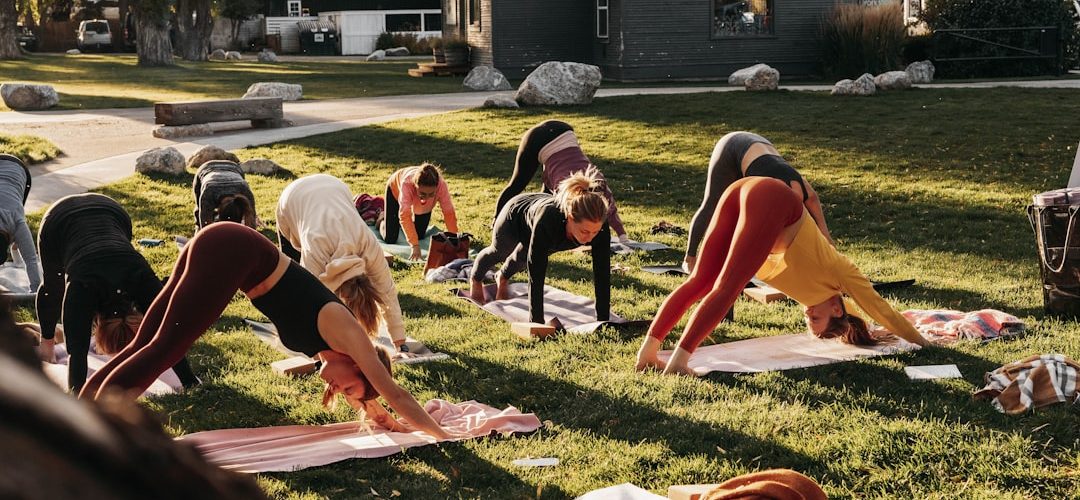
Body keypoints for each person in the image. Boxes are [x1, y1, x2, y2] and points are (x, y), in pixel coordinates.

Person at [80, 222, 462, 441]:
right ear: (360, 364)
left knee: (149, 343)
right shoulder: (349, 334)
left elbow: (375, 401)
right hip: (233, 252)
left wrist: (393, 424)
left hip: (225, 245)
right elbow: (393, 391)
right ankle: (88, 428)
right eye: (349, 387)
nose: (340, 392)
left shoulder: (332, 354)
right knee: (164, 349)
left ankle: (80, 414)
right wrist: (443, 437)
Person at [637, 177, 929, 376]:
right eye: (815, 319)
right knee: (726, 287)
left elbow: (849, 314)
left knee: (701, 281)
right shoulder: (841, 273)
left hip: (740, 191)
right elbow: (876, 306)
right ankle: (678, 362)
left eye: (808, 321)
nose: (808, 314)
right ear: (836, 307)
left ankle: (647, 354)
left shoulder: (818, 298)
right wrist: (921, 342)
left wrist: (862, 333)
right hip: (773, 198)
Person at [35, 193, 199, 392]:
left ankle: (47, 344)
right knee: (54, 287)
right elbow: (167, 333)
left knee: (54, 290)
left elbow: (77, 354)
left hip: (113, 212)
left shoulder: (135, 276)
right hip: (58, 223)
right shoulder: (84, 285)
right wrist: (189, 381)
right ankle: (47, 345)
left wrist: (77, 393)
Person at [277, 174, 408, 351]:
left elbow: (387, 293)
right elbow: (307, 303)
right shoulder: (317, 252)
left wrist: (400, 343)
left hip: (334, 186)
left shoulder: (368, 246)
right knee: (291, 283)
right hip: (292, 199)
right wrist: (319, 353)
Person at [469, 168, 610, 325]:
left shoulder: (600, 227)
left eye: (595, 232)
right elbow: (536, 272)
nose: (590, 237)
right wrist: (536, 321)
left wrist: (603, 319)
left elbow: (602, 272)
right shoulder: (549, 222)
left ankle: (502, 277)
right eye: (585, 231)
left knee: (521, 258)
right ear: (570, 217)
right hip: (515, 215)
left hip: (538, 224)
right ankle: (475, 279)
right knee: (499, 252)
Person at [683, 131, 831, 273]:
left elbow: (824, 234)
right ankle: (689, 258)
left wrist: (827, 246)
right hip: (730, 148)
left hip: (759, 145)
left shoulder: (807, 194)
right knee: (712, 204)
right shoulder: (770, 193)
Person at [494, 120, 629, 244]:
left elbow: (610, 209)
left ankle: (534, 228)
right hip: (537, 140)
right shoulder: (565, 188)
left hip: (564, 130)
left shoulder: (599, 182)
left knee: (546, 199)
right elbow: (560, 215)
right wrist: (622, 237)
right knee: (516, 185)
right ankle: (496, 224)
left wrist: (622, 236)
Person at [381, 163, 459, 261]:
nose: (426, 197)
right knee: (390, 238)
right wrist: (414, 245)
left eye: (431, 194)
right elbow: (405, 215)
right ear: (416, 185)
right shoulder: (407, 184)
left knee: (419, 235)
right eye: (423, 193)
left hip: (419, 202)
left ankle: (401, 225)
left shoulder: (441, 185)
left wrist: (454, 239)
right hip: (395, 190)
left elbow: (449, 213)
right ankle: (382, 218)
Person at [0, 154, 42, 293]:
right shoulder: (18, 224)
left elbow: (31, 260)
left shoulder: (18, 223)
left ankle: (16, 247)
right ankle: (16, 247)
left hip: (19, 170)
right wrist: (35, 289)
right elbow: (31, 260)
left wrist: (35, 291)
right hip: (16, 167)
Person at [191, 160, 257, 231]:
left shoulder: (245, 191)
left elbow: (252, 225)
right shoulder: (208, 193)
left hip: (234, 168)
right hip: (205, 168)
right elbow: (205, 227)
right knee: (199, 211)